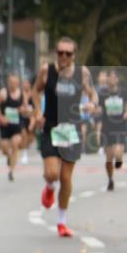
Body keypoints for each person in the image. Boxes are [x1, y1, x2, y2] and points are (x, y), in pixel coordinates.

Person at [32, 37, 98, 237]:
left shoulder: (82, 73)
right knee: (52, 174)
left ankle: (62, 222)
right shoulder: (46, 71)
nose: (63, 57)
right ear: (56, 53)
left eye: (68, 54)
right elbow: (35, 91)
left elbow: (93, 94)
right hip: (51, 127)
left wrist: (92, 104)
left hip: (72, 129)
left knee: (66, 177)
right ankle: (49, 187)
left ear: (74, 56)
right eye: (60, 52)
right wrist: (37, 112)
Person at [0, 74, 28, 181]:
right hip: (5, 124)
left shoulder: (22, 94)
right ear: (8, 83)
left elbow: (26, 107)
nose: (13, 85)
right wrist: (0, 117)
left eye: (15, 83)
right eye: (11, 82)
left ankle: (11, 171)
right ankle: (9, 157)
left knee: (15, 144)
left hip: (17, 124)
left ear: (18, 83)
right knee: (4, 149)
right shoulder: (3, 93)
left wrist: (23, 109)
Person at [98, 69, 125, 191]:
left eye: (114, 77)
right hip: (107, 127)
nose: (112, 79)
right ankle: (110, 179)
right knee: (109, 158)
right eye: (110, 77)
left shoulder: (123, 92)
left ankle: (119, 160)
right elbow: (99, 109)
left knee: (118, 153)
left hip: (120, 126)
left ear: (117, 79)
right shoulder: (103, 94)